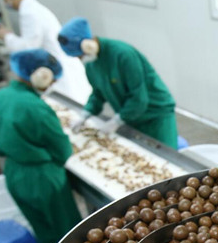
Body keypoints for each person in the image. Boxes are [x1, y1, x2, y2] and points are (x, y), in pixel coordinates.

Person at [0, 49, 82, 243]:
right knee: (68, 234)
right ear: (42, 76)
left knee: (44, 231)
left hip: (14, 173)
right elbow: (62, 150)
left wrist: (13, 150)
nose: (52, 84)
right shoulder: (37, 108)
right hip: (44, 178)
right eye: (52, 79)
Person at [57, 17, 179, 149]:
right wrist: (86, 113)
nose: (80, 59)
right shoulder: (91, 64)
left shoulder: (123, 55)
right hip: (132, 116)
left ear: (87, 45)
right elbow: (98, 93)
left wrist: (117, 120)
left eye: (79, 55)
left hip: (155, 115)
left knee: (163, 154)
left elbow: (139, 98)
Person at [0, 0, 91, 104]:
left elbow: (29, 48)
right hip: (59, 65)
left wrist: (6, 36)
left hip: (58, 68)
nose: (4, 2)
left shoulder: (29, 13)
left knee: (68, 105)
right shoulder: (32, 8)